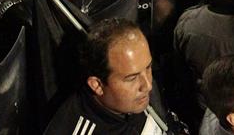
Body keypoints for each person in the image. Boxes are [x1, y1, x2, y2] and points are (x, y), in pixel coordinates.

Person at [45, 18, 184, 134]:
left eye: (148, 67)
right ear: (97, 85)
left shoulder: (137, 91)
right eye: (132, 78)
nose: (148, 85)